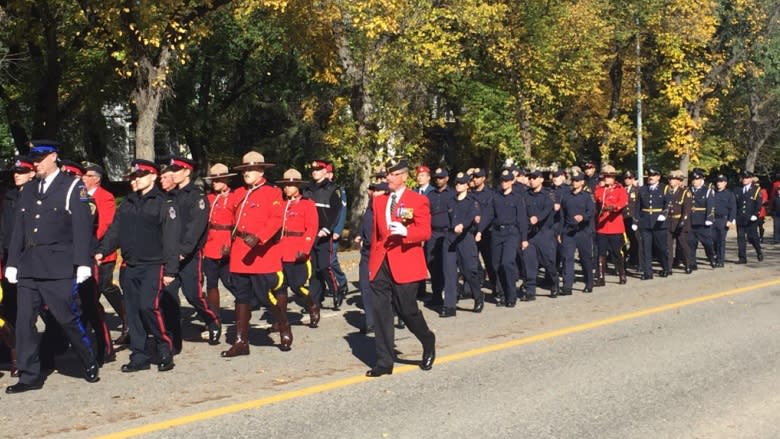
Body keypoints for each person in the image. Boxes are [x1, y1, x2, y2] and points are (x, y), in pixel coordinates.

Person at [5, 140, 100, 393]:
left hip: (58, 266)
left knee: (67, 318)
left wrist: (82, 263)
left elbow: (81, 228)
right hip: (29, 266)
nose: (35, 164)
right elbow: (19, 230)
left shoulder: (71, 186)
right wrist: (13, 262)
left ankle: (88, 359)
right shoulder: (29, 188)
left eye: (40, 159)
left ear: (54, 157)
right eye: (33, 160)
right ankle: (29, 375)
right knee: (24, 321)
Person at [95, 159, 181, 373]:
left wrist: (171, 269)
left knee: (147, 306)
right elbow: (115, 231)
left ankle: (164, 347)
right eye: (133, 177)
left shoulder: (163, 202)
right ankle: (139, 354)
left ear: (153, 176)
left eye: (140, 176)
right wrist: (101, 250)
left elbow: (171, 238)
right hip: (130, 265)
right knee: (133, 312)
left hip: (154, 264)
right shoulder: (128, 202)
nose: (135, 180)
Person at [365, 158, 435, 377]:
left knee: (407, 311)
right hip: (381, 262)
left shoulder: (417, 200)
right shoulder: (378, 201)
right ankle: (384, 361)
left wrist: (407, 233)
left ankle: (427, 339)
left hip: (405, 261)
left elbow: (425, 231)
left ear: (404, 176)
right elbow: (376, 234)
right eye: (387, 174)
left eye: (393, 174)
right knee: (381, 312)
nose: (388, 178)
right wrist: (372, 263)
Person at [221, 151, 285, 357]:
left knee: (264, 295)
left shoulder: (273, 192)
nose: (246, 173)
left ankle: (283, 326)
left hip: (261, 253)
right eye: (244, 169)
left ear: (260, 171)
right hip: (240, 250)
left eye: (250, 169)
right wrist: (226, 242)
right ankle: (241, 341)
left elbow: (276, 220)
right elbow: (227, 220)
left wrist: (259, 236)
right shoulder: (238, 193)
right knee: (241, 296)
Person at [82, 162, 129, 345]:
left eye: (86, 176)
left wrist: (93, 245)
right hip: (87, 251)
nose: (82, 178)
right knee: (89, 291)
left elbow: (106, 225)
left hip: (103, 252)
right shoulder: (81, 196)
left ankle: (127, 321)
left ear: (96, 179)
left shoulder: (105, 197)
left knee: (105, 286)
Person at [0, 156, 36, 378]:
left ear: (32, 173)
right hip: (10, 259)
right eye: (15, 171)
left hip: (32, 258)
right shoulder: (10, 197)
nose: (17, 175)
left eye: (22, 171)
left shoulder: (38, 194)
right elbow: (5, 229)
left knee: (30, 312)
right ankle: (13, 355)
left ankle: (28, 355)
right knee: (11, 309)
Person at [276, 168, 319, 335]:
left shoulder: (307, 204)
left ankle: (312, 305)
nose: (286, 187)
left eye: (290, 185)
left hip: (297, 249)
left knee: (297, 286)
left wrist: (305, 248)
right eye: (285, 185)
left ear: (298, 186)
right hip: (280, 248)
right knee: (279, 286)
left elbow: (312, 228)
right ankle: (281, 319)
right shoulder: (281, 204)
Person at [482, 169, 528, 307]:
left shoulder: (517, 197)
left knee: (507, 263)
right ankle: (502, 295)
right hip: (497, 233)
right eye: (502, 180)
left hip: (512, 232)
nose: (504, 183)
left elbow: (522, 219)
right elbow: (488, 215)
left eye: (507, 180)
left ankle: (511, 296)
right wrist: (480, 231)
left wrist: (524, 238)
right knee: (496, 265)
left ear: (512, 181)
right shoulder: (495, 197)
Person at [202, 164, 240, 328]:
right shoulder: (208, 198)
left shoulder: (235, 197)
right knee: (211, 282)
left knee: (229, 281)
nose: (214, 182)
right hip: (210, 243)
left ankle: (243, 308)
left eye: (217, 179)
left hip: (227, 241)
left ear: (226, 179)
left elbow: (239, 223)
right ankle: (214, 318)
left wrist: (231, 244)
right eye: (213, 179)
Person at [303, 160, 344, 310]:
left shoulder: (332, 189)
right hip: (309, 232)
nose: (315, 172)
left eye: (318, 169)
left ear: (325, 172)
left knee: (325, 266)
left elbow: (336, 212)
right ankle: (316, 299)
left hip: (324, 233)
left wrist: (327, 229)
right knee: (313, 269)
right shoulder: (307, 189)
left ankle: (336, 290)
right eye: (313, 169)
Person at [441, 172, 482, 316]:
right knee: (450, 273)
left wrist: (462, 226)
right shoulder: (450, 200)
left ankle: (478, 296)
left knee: (469, 271)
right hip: (450, 239)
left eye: (462, 183)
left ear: (467, 185)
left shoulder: (472, 201)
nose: (458, 185)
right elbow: (446, 217)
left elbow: (471, 216)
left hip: (465, 239)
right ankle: (450, 306)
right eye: (457, 183)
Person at [354, 181, 389, 334]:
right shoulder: (370, 207)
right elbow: (366, 223)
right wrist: (360, 236)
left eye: (378, 191)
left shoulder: (389, 207)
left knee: (384, 287)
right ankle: (370, 322)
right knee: (365, 285)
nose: (374, 193)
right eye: (373, 190)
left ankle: (398, 314)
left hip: (381, 252)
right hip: (367, 251)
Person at [521, 170, 557, 300]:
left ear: (541, 180)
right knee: (529, 263)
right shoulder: (525, 195)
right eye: (530, 178)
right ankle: (530, 291)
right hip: (530, 234)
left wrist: (538, 218)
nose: (531, 180)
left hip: (544, 233)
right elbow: (522, 213)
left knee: (548, 261)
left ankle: (554, 283)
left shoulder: (549, 194)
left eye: (535, 178)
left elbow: (547, 209)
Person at [560, 171, 595, 294]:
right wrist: (561, 232)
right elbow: (562, 215)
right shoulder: (566, 196)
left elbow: (591, 212)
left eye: (576, 180)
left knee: (585, 258)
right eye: (573, 180)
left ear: (582, 182)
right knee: (567, 258)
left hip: (583, 231)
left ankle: (589, 282)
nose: (574, 182)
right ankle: (567, 286)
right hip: (568, 232)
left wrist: (583, 217)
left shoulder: (586, 196)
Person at [593, 165, 627, 286]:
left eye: (609, 176)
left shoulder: (620, 189)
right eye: (605, 176)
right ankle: (601, 277)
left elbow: (623, 202)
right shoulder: (600, 190)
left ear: (614, 177)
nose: (607, 178)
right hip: (602, 227)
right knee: (601, 253)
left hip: (615, 225)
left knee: (616, 252)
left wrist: (614, 207)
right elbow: (597, 202)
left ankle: (622, 273)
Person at [424, 167, 452, 306]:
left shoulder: (452, 194)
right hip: (433, 233)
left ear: (447, 178)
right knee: (432, 263)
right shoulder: (431, 195)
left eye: (441, 178)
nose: (438, 180)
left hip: (447, 232)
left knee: (446, 265)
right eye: (436, 178)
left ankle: (449, 294)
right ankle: (436, 294)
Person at [637, 168, 670, 279]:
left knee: (661, 247)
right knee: (646, 248)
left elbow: (668, 204)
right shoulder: (642, 189)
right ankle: (648, 272)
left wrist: (664, 215)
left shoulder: (664, 188)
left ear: (658, 177)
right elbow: (638, 206)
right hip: (645, 222)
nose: (651, 177)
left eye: (654, 175)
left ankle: (666, 267)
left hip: (659, 223)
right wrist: (636, 220)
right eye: (649, 175)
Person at [687, 169, 717, 270]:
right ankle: (692, 263)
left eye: (697, 179)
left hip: (702, 221)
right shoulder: (688, 190)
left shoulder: (707, 190)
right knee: (691, 243)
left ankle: (711, 258)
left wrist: (709, 218)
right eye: (693, 179)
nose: (695, 181)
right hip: (691, 220)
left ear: (702, 179)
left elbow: (711, 205)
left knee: (707, 243)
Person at [666, 170, 693, 274]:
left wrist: (683, 221)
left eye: (674, 179)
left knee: (683, 245)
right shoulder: (667, 191)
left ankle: (688, 265)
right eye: (670, 179)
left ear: (679, 181)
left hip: (680, 221)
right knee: (668, 246)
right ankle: (668, 268)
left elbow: (687, 209)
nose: (671, 181)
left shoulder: (685, 192)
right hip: (668, 221)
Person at [734, 171, 763, 263]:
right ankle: (742, 258)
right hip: (740, 217)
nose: (744, 180)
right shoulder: (737, 189)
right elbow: (735, 204)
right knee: (740, 238)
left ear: (751, 179)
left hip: (751, 218)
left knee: (752, 237)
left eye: (746, 178)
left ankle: (758, 251)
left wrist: (755, 214)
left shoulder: (756, 189)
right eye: (743, 178)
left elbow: (758, 203)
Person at [711, 174, 736, 266]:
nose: (719, 184)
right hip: (713, 219)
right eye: (718, 182)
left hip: (723, 219)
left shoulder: (729, 194)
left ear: (725, 183)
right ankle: (715, 255)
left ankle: (720, 260)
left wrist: (730, 220)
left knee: (721, 240)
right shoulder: (712, 192)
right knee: (713, 239)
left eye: (721, 182)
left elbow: (733, 208)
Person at [623, 170, 643, 270]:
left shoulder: (638, 190)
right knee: (626, 241)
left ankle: (639, 262)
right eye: (626, 178)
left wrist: (637, 219)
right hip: (624, 219)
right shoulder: (622, 190)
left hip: (634, 219)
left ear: (633, 179)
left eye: (630, 178)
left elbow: (639, 206)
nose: (627, 180)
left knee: (637, 240)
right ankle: (628, 260)